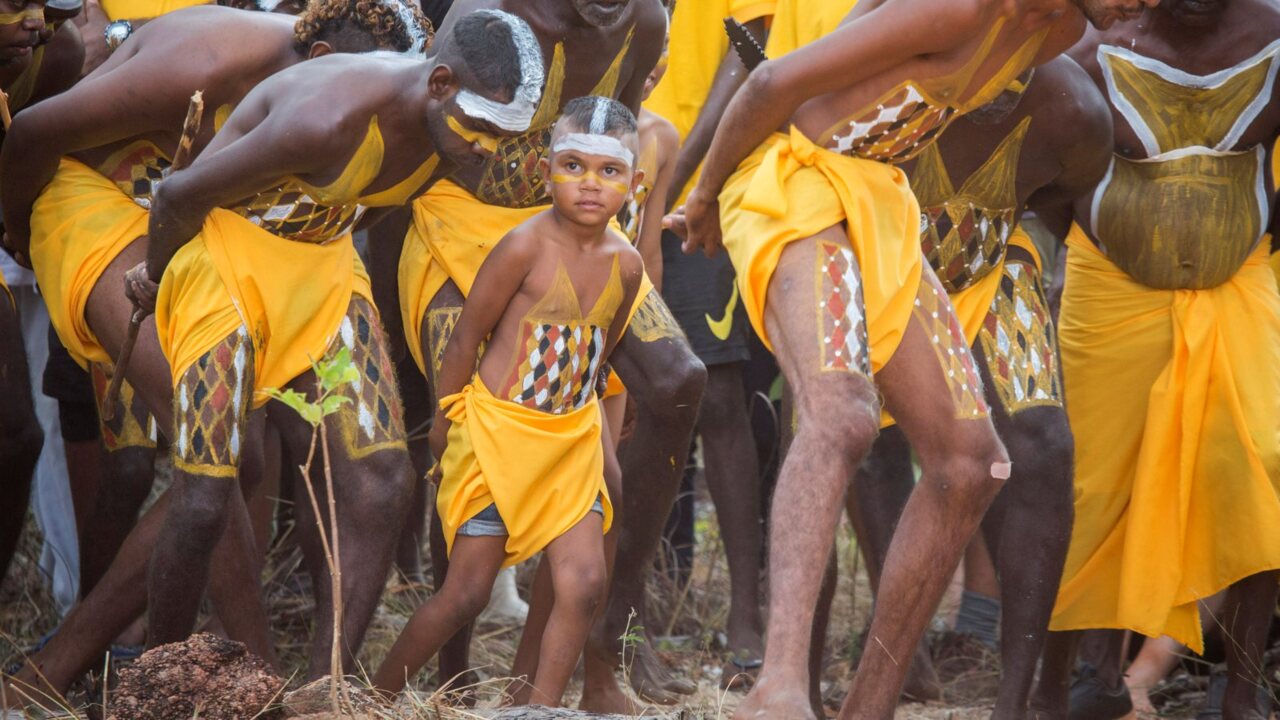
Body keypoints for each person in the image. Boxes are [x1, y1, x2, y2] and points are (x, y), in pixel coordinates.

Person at [668, 0, 1158, 717]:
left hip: (880, 206)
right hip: (799, 184)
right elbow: (772, 83)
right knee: (842, 415)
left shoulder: (1054, 31)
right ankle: (777, 688)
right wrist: (704, 193)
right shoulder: (961, 6)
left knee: (972, 464)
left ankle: (870, 706)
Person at [0, 1, 475, 706]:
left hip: (248, 219)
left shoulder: (395, 106)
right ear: (321, 67)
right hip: (106, 200)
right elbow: (37, 129)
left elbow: (360, 198)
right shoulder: (210, 59)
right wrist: (15, 237)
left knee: (354, 473)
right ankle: (238, 686)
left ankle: (301, 692)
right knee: (219, 461)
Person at [393, 0, 706, 706]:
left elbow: (616, 148)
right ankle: (452, 676)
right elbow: (417, 120)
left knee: (680, 377)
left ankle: (597, 655)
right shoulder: (486, 11)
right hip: (459, 229)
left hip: (585, 245)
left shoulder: (644, 23)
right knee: (470, 401)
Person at [1032, 2, 1280, 718]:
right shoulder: (1089, 50)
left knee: (1258, 461)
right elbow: (1046, 183)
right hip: (1110, 290)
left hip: (1240, 284)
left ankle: (1242, 689)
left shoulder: (1273, 41)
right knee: (1091, 481)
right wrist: (1112, 236)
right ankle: (1085, 679)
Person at [849, 55, 1112, 719]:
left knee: (1044, 446)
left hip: (992, 264)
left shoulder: (1073, 105)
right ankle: (898, 661)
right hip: (876, 266)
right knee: (861, 437)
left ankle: (1014, 700)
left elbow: (1065, 189)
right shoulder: (885, 63)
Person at [375, 96, 644, 707]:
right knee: (464, 594)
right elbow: (466, 340)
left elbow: (601, 357)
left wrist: (599, 439)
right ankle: (371, 698)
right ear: (546, 170)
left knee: (582, 584)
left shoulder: (627, 266)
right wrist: (446, 431)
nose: (589, 185)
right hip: (495, 439)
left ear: (636, 182)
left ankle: (534, 707)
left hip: (569, 444)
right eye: (573, 166)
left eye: (609, 171)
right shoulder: (522, 246)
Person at [641, 0, 770, 689]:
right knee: (625, 397)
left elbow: (750, 47)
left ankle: (746, 618)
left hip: (697, 183)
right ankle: (627, 615)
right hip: (599, 176)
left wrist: (686, 174)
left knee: (716, 396)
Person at [0, 0, 83, 587]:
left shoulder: (58, 56)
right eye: (13, 4)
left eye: (48, 8)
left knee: (20, 433)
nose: (35, 23)